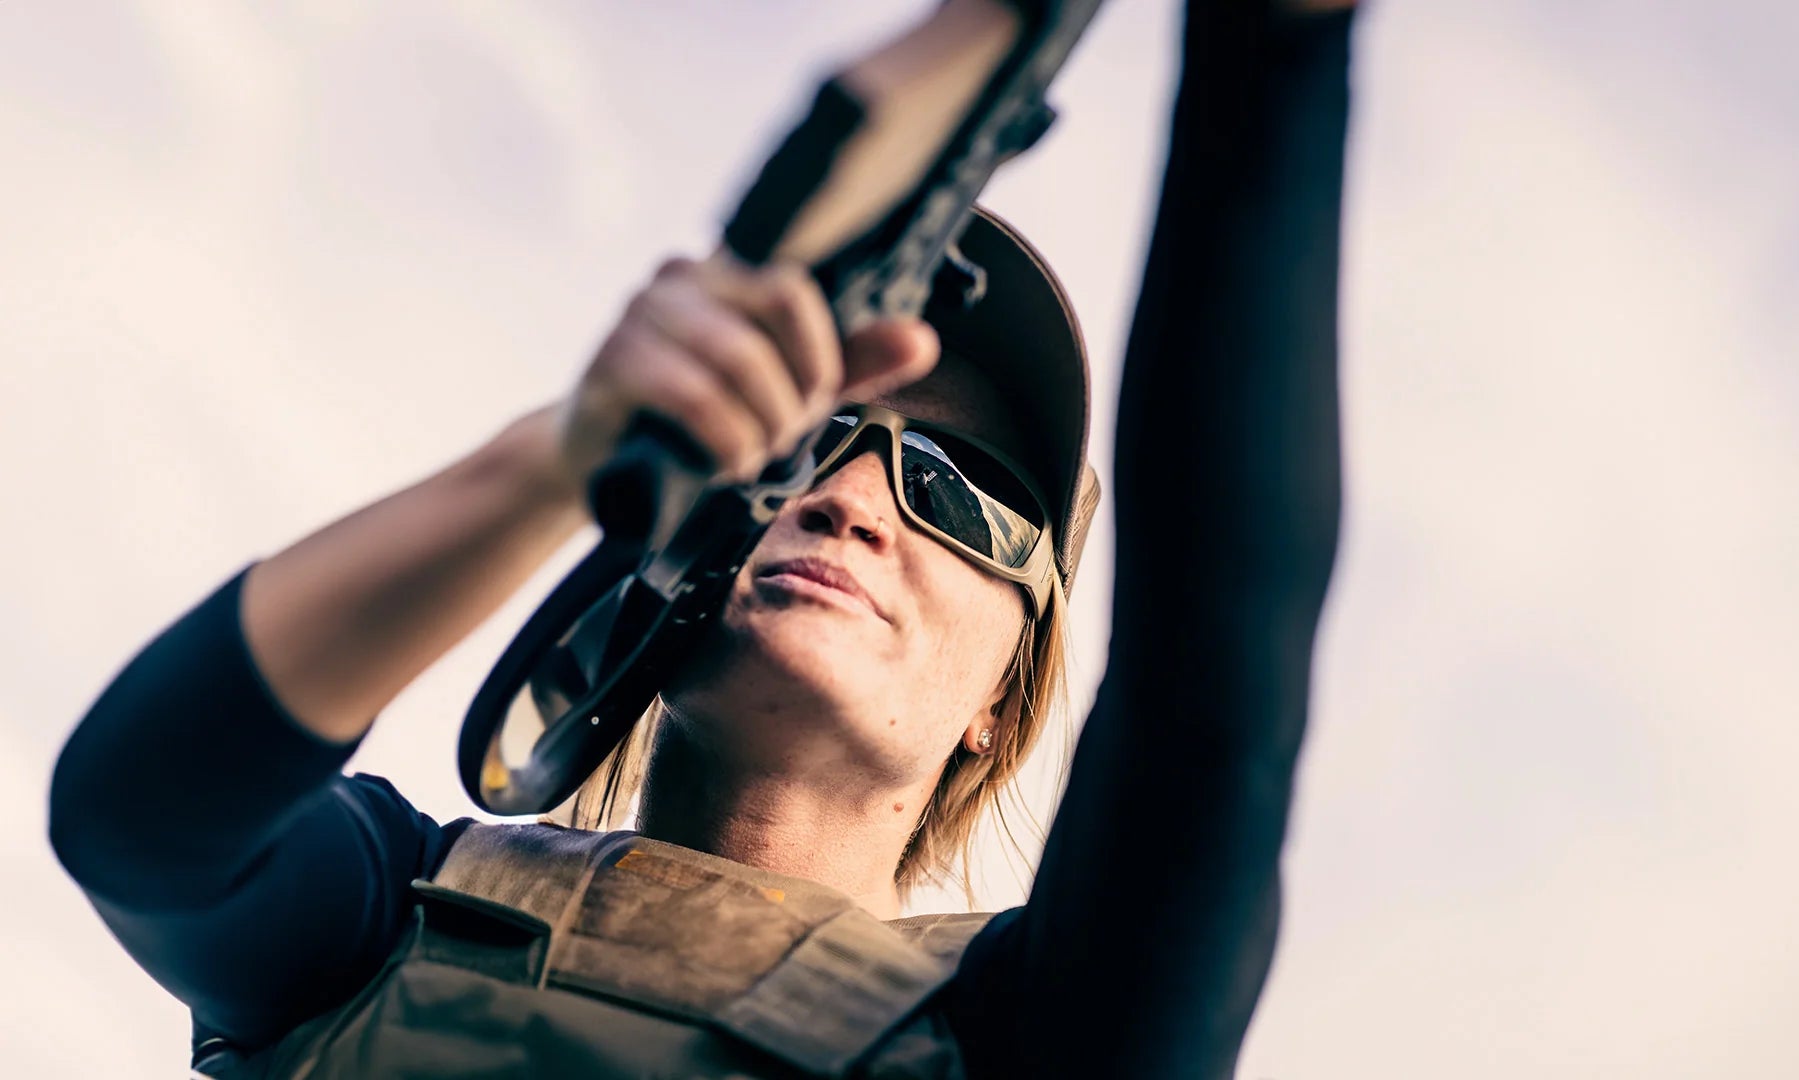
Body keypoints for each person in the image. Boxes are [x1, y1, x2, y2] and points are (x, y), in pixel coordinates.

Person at [50, 4, 1356, 1076]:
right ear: (679, 556)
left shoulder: (1042, 1033)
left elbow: (1216, 692)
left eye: (959, 488)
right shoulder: (384, 909)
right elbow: (138, 818)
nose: (850, 498)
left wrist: (1278, 56)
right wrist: (565, 457)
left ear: (1001, 703)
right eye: (802, 442)